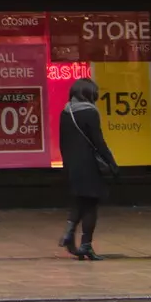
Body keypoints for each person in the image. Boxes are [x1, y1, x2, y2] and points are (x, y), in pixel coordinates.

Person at [59, 76, 118, 260]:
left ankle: (69, 233)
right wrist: (111, 162)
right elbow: (98, 142)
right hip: (89, 165)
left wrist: (67, 163)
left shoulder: (66, 112)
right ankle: (86, 245)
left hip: (72, 164)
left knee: (79, 201)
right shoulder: (90, 112)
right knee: (91, 205)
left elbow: (63, 142)